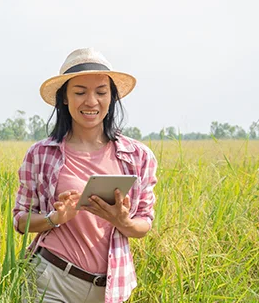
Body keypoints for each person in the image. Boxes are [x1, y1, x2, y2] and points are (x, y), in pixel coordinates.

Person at [13, 48, 158, 303]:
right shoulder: (40, 154)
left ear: (112, 97)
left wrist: (122, 220)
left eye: (101, 92)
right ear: (65, 98)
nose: (91, 101)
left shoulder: (138, 156)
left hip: (109, 289)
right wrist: (54, 218)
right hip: (50, 279)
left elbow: (143, 223)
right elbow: (20, 220)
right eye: (80, 92)